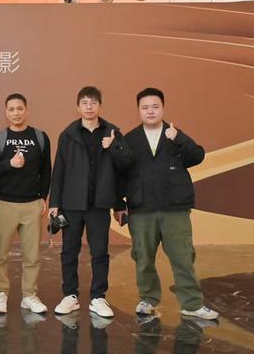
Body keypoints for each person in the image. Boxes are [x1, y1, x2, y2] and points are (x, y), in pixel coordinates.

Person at [110, 87, 219, 320]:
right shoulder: (129, 139)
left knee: (183, 257)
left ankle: (192, 304)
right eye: (145, 107)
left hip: (174, 208)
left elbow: (197, 156)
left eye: (155, 106)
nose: (150, 111)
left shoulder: (174, 134)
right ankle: (148, 299)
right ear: (139, 110)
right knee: (143, 258)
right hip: (141, 209)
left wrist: (178, 139)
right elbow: (119, 174)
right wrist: (118, 204)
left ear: (163, 108)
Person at [49, 86, 126, 319]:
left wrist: (119, 204)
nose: (89, 106)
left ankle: (98, 297)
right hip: (71, 204)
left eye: (93, 102)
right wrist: (55, 202)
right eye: (85, 102)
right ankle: (70, 295)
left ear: (100, 105)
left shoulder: (112, 132)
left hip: (99, 204)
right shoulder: (68, 134)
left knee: (100, 251)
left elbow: (123, 168)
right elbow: (59, 170)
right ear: (78, 107)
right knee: (69, 251)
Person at [0, 93, 52, 315]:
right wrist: (10, 163)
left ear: (27, 110)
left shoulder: (40, 137)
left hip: (32, 203)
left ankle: (29, 295)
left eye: (20, 108)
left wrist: (43, 197)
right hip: (5, 203)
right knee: (0, 254)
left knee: (32, 255)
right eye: (11, 109)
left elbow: (46, 169)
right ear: (6, 112)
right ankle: (0, 294)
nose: (16, 113)